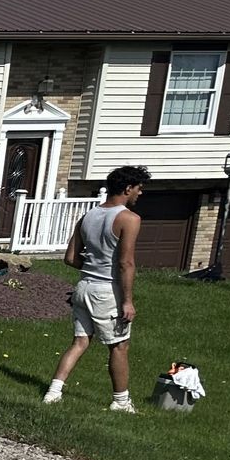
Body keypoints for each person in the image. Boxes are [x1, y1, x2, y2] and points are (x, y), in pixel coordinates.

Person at [45, 165, 147, 412]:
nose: (140, 194)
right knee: (119, 346)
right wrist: (127, 301)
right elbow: (126, 263)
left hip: (83, 287)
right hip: (106, 291)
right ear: (127, 188)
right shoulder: (129, 219)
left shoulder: (87, 216)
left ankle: (53, 392)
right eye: (139, 189)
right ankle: (121, 402)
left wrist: (91, 265)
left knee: (80, 341)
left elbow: (70, 258)